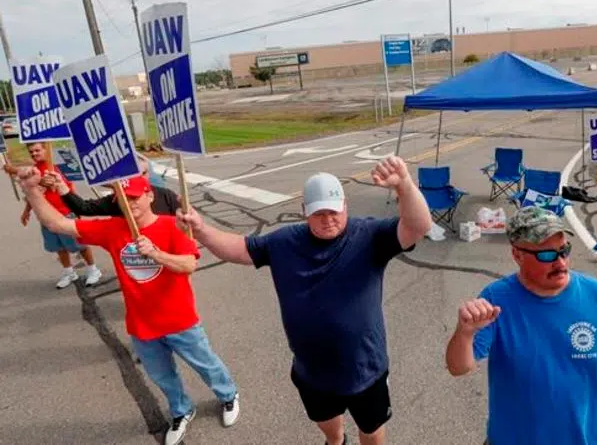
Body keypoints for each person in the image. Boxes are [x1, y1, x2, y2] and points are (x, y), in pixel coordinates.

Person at [177, 156, 432, 445]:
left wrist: (405, 185)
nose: (328, 219)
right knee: (326, 423)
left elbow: (417, 227)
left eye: (334, 210)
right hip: (312, 372)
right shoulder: (284, 242)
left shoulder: (370, 235)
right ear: (304, 212)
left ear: (345, 206)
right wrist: (201, 229)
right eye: (319, 213)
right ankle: (336, 442)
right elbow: (239, 249)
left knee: (372, 430)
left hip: (364, 369)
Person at [16, 168, 241, 445]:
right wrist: (31, 190)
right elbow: (59, 225)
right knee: (162, 377)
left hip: (180, 321)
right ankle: (181, 410)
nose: (129, 203)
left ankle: (228, 395)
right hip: (141, 325)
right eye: (122, 198)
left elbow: (188, 265)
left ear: (149, 195)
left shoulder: (173, 225)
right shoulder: (113, 228)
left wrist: (156, 254)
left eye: (134, 196)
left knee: (206, 364)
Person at [445, 206, 597, 445]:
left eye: (564, 250)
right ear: (517, 255)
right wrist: (464, 333)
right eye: (546, 255)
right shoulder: (496, 300)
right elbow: (458, 367)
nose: (560, 262)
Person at [3, 142, 102, 289]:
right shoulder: (35, 168)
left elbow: (53, 183)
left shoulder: (56, 167)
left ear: (46, 150)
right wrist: (27, 211)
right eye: (31, 152)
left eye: (37, 150)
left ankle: (93, 269)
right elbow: (34, 192)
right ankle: (69, 272)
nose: (34, 154)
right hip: (46, 217)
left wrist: (13, 169)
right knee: (58, 246)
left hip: (65, 214)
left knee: (79, 245)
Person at [42, 153, 180, 216]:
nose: (140, 179)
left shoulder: (167, 196)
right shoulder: (118, 199)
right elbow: (83, 208)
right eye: (134, 175)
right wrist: (62, 187)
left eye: (143, 173)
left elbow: (185, 224)